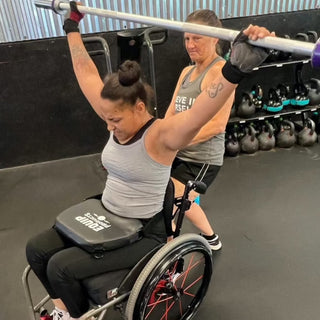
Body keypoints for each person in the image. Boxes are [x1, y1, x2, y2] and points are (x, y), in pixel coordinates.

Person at [25, 2, 273, 319]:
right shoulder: (115, 111)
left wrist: (234, 70)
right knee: (37, 248)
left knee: (60, 266)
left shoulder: (161, 137)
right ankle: (63, 307)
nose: (108, 125)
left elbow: (201, 113)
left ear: (139, 108)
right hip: (107, 213)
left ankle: (71, 315)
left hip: (141, 232)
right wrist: (72, 26)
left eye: (115, 120)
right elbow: (85, 71)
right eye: (107, 118)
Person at [165, 9, 235, 250]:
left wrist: (177, 141)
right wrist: (161, 139)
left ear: (215, 38)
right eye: (187, 39)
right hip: (178, 151)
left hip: (202, 159)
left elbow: (216, 125)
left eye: (197, 38)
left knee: (172, 203)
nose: (190, 45)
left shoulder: (219, 72)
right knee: (175, 198)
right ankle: (212, 239)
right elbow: (171, 112)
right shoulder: (187, 72)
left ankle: (165, 253)